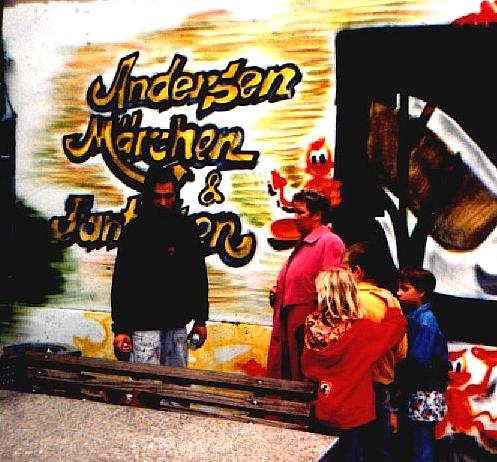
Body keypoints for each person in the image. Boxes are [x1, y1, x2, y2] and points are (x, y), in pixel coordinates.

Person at [301, 269, 407, 462]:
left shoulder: (311, 325)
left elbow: (307, 366)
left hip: (323, 403)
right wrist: (391, 305)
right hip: (353, 408)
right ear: (351, 293)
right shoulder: (362, 331)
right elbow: (396, 329)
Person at [111, 166, 209, 371]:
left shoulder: (186, 229)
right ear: (148, 197)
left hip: (177, 326)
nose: (163, 202)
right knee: (146, 387)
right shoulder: (135, 232)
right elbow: (122, 283)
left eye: (168, 196)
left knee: (178, 386)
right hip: (143, 328)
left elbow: (198, 277)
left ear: (176, 196)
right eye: (157, 197)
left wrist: (200, 320)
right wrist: (121, 329)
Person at [266, 189, 345, 380]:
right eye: (295, 212)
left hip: (306, 328)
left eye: (300, 212)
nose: (296, 218)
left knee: (300, 378)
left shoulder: (329, 242)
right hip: (290, 325)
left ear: (317, 215)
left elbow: (331, 291)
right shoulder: (306, 243)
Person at [342, 241, 407, 462]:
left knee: (351, 447)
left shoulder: (348, 301)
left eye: (344, 269)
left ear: (357, 272)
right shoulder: (390, 301)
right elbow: (402, 350)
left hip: (351, 386)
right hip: (381, 383)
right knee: (379, 448)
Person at [395, 267, 449, 462]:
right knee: (418, 439)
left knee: (421, 441)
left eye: (405, 289)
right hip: (423, 388)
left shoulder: (425, 321)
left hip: (424, 389)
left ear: (421, 292)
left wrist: (401, 382)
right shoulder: (419, 318)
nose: (398, 293)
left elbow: (420, 360)